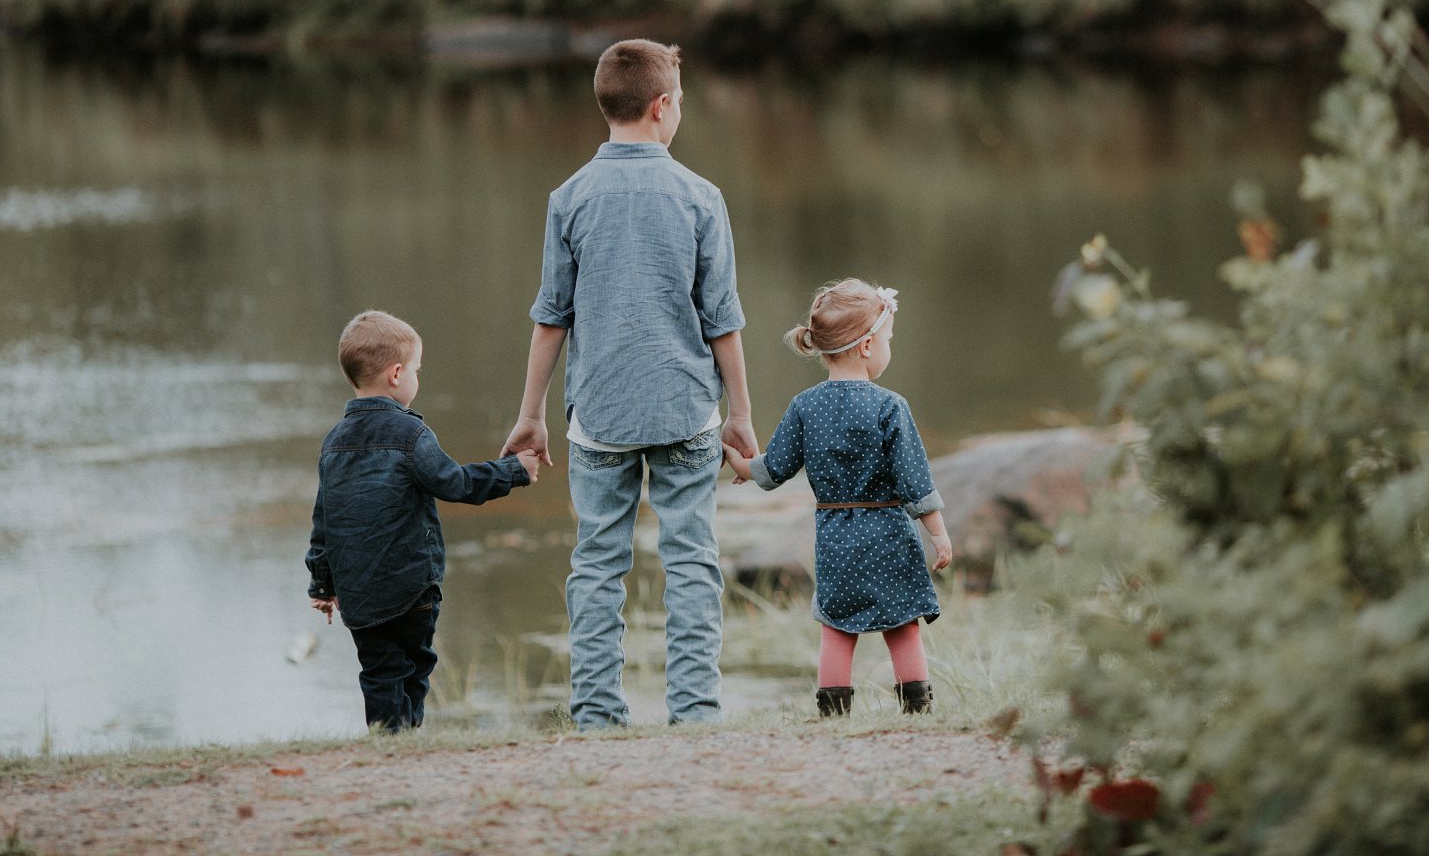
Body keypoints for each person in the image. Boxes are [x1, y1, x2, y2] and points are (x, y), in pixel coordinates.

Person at [501, 39, 755, 729]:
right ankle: (696, 713)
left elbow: (551, 320)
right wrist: (741, 413)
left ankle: (595, 716)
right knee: (692, 561)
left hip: (599, 416)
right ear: (662, 107)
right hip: (686, 409)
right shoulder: (701, 197)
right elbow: (722, 323)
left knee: (597, 567)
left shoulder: (570, 198)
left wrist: (532, 414)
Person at [723, 279, 953, 716]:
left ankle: (832, 716)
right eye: (887, 340)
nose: (888, 349)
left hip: (835, 538)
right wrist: (939, 533)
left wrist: (740, 464)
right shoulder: (890, 406)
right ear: (866, 346)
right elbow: (914, 479)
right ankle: (917, 712)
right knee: (903, 625)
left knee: (836, 629)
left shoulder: (804, 406)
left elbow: (773, 471)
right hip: (887, 532)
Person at [306, 310, 539, 733]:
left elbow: (324, 518)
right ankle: (402, 746)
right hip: (411, 587)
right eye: (416, 369)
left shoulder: (333, 443)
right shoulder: (411, 436)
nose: (417, 376)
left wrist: (322, 585)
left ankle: (391, 746)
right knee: (413, 669)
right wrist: (515, 471)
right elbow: (456, 483)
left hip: (359, 593)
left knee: (380, 673)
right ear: (396, 375)